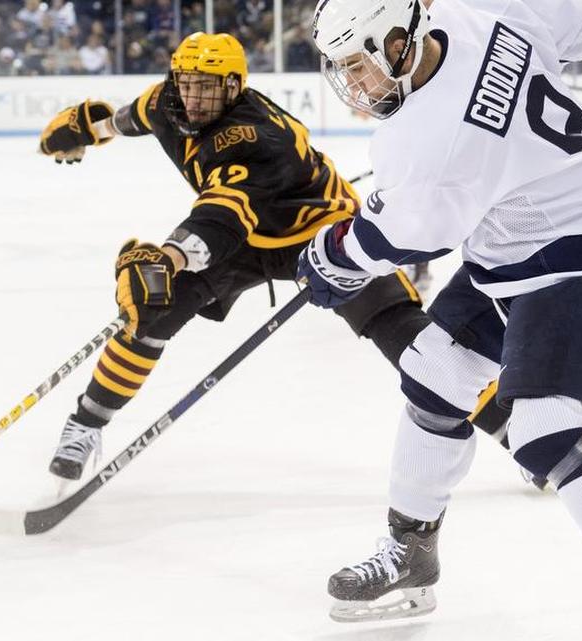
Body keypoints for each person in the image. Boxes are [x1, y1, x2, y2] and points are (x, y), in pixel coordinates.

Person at [299, 0, 582, 639]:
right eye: (342, 69)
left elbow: (399, 237)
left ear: (398, 42)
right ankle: (413, 551)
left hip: (580, 248)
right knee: (433, 375)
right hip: (515, 239)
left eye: (360, 66)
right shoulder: (476, 11)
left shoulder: (428, 140)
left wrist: (329, 259)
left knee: (547, 428)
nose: (354, 85)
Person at [35, 32, 437, 483]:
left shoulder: (254, 137)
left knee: (400, 328)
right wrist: (93, 129)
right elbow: (134, 118)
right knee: (150, 311)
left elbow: (223, 216)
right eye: (187, 82)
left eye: (208, 86)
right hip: (244, 238)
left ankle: (508, 429)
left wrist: (168, 258)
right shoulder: (166, 100)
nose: (193, 97)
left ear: (234, 86)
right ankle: (84, 426)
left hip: (317, 229)